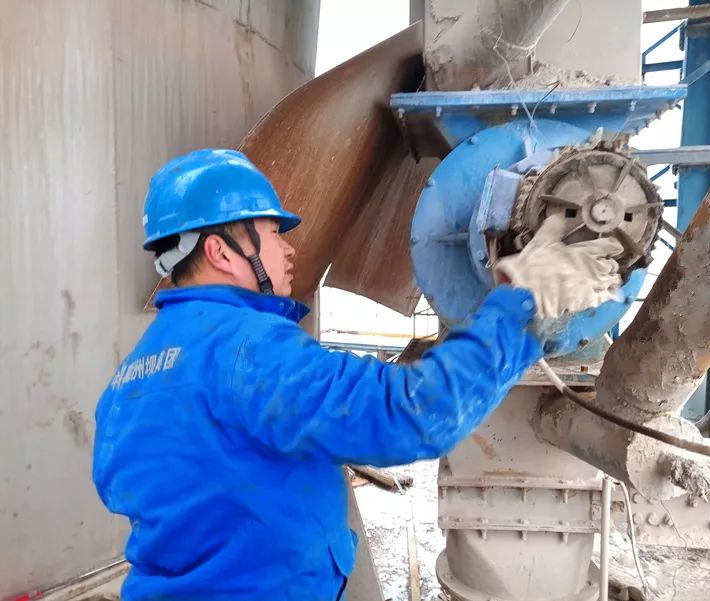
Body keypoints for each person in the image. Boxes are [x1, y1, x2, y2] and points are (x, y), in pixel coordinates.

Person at [93, 148, 623, 601]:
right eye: (272, 233)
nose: (289, 247)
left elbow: (126, 490)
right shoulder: (248, 348)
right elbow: (414, 414)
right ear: (219, 251)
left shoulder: (131, 374)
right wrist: (520, 302)